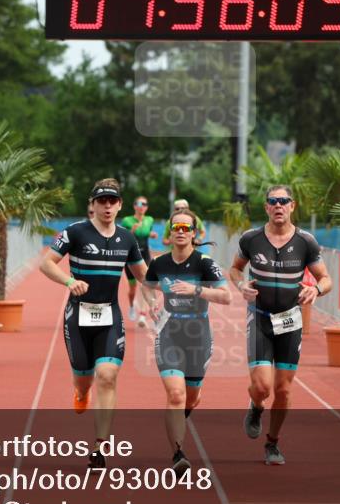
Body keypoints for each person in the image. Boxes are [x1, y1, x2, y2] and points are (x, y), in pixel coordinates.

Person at [40, 179, 148, 468]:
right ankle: (81, 392)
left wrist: (161, 295)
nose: (108, 206)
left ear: (120, 205)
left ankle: (100, 447)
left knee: (108, 375)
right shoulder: (75, 232)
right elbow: (46, 263)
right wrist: (69, 281)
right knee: (84, 379)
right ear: (93, 204)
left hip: (110, 316)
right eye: (102, 201)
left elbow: (143, 275)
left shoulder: (127, 239)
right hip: (77, 317)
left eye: (113, 201)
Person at [228, 185, 332, 465]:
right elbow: (235, 269)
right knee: (262, 387)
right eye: (273, 201)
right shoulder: (251, 238)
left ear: (292, 206)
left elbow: (326, 279)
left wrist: (316, 290)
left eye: (283, 201)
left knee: (284, 390)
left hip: (290, 320)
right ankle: (256, 405)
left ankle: (272, 443)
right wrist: (241, 286)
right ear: (266, 207)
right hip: (260, 317)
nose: (278, 206)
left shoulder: (306, 241)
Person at [142, 209, 230, 475]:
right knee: (176, 394)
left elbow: (226, 296)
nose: (180, 231)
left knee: (190, 398)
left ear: (193, 233)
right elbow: (147, 285)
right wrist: (152, 302)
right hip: (169, 332)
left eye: (186, 227)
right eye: (176, 227)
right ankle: (178, 453)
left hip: (198, 335)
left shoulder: (204, 263)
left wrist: (196, 289)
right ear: (170, 233)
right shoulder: (159, 263)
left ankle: (184, 412)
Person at [119, 195, 157, 327]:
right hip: (130, 256)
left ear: (147, 207)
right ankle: (131, 306)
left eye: (144, 204)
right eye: (139, 204)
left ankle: (142, 314)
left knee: (145, 284)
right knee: (132, 288)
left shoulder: (150, 219)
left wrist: (151, 234)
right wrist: (132, 230)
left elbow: (149, 232)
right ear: (134, 206)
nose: (141, 207)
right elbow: (123, 237)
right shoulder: (127, 220)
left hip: (145, 255)